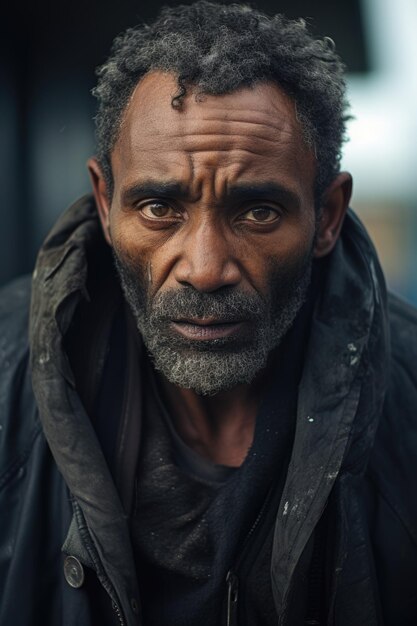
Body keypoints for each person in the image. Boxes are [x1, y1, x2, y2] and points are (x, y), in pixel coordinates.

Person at [1, 2, 416, 624]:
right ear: (105, 203)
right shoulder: (6, 376)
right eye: (158, 208)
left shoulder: (408, 400)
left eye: (257, 213)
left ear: (326, 217)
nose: (204, 267)